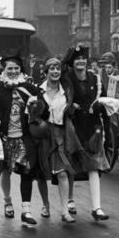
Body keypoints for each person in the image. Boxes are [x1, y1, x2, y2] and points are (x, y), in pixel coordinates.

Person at [0, 53, 50, 226]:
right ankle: (8, 201)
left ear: (21, 70)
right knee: (5, 171)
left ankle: (26, 210)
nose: (13, 71)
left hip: (24, 136)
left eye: (16, 68)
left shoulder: (29, 88)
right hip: (5, 136)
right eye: (9, 68)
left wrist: (36, 105)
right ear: (4, 69)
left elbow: (44, 109)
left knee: (27, 172)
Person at [30, 58, 84, 223]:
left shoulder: (66, 90)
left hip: (61, 135)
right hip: (44, 135)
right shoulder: (38, 91)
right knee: (41, 173)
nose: (55, 72)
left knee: (62, 173)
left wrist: (73, 109)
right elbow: (32, 114)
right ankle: (45, 204)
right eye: (51, 69)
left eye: (57, 69)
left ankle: (64, 210)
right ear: (45, 72)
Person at [63, 46, 110, 221]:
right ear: (72, 62)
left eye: (83, 58)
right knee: (71, 165)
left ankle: (96, 208)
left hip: (92, 128)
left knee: (94, 166)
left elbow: (104, 103)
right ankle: (69, 200)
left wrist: (106, 127)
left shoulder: (96, 80)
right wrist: (70, 107)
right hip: (72, 127)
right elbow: (62, 101)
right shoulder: (66, 79)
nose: (81, 62)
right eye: (77, 59)